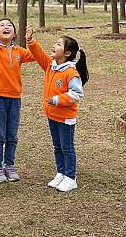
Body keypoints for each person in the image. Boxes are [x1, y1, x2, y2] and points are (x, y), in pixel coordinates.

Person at [0, 0, 35, 184]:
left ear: (14, 32)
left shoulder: (20, 51)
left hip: (15, 98)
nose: (6, 26)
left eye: (9, 25)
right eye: (1, 25)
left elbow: (36, 55)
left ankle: (9, 165)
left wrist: (30, 40)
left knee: (12, 135)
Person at [25, 28, 88, 192]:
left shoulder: (71, 73)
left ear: (67, 53)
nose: (54, 45)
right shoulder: (50, 66)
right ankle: (61, 173)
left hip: (65, 117)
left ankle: (70, 177)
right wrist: (31, 41)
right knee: (57, 146)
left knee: (67, 147)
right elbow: (39, 55)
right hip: (52, 115)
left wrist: (57, 99)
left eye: (58, 44)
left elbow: (77, 94)